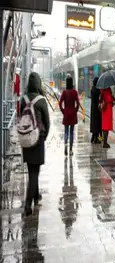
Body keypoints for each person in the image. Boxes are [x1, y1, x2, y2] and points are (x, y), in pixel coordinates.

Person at [21, 72, 50, 216]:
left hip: (26, 139)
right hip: (38, 138)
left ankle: (36, 194)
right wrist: (44, 137)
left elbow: (21, 117)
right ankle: (28, 204)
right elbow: (47, 122)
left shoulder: (23, 99)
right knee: (34, 172)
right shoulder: (41, 100)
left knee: (31, 168)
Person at [59, 76, 80, 156]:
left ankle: (65, 147)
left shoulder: (64, 92)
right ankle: (71, 150)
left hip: (66, 113)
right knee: (71, 132)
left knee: (66, 132)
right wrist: (75, 110)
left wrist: (63, 111)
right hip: (73, 114)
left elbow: (60, 103)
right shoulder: (75, 92)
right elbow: (78, 103)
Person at [90, 77, 102, 144]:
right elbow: (98, 100)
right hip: (97, 109)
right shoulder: (97, 90)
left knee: (94, 123)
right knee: (98, 124)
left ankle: (93, 137)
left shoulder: (92, 89)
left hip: (93, 108)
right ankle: (97, 139)